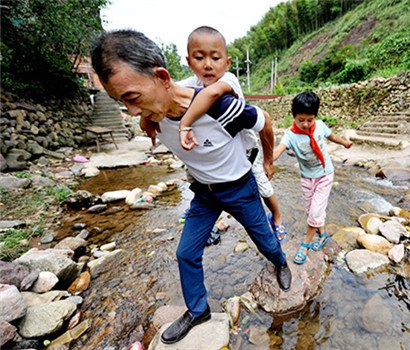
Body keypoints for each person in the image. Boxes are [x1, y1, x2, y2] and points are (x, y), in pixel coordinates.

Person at [91, 29, 291, 345]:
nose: (131, 113)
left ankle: (280, 261)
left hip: (240, 188)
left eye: (131, 99)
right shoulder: (152, 115)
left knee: (265, 240)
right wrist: (147, 118)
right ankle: (198, 310)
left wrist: (267, 161)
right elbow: (149, 115)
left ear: (161, 76)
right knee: (186, 253)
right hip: (204, 194)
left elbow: (265, 123)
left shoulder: (220, 106)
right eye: (121, 102)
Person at [176, 26, 288, 242]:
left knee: (263, 187)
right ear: (189, 61)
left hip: (246, 151)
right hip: (218, 152)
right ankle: (200, 215)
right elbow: (168, 91)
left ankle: (277, 218)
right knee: (196, 179)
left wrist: (185, 123)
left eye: (215, 58)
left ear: (227, 62)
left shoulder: (228, 79)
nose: (208, 64)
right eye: (199, 58)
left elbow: (213, 93)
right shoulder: (191, 84)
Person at [273, 91, 352, 265]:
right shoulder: (291, 135)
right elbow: (279, 150)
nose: (306, 124)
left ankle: (305, 245)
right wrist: (267, 161)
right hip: (307, 178)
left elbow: (332, 136)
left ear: (315, 116)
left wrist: (345, 143)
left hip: (325, 174)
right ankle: (322, 235)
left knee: (316, 211)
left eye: (310, 119)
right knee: (311, 211)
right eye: (301, 120)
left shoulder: (320, 126)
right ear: (293, 116)